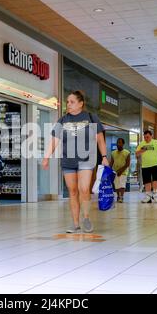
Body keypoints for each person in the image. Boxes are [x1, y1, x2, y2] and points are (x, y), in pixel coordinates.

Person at [42, 90, 109, 233]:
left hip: (86, 160)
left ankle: (86, 218)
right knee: (72, 191)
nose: (69, 104)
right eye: (67, 102)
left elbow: (100, 140)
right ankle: (75, 223)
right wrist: (46, 157)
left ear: (80, 104)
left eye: (72, 102)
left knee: (84, 189)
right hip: (68, 161)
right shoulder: (62, 120)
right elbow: (54, 141)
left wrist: (104, 157)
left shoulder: (91, 117)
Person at [136, 130, 157, 203]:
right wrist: (142, 150)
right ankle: (148, 196)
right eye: (145, 137)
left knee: (156, 179)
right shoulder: (141, 144)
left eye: (148, 137)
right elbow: (136, 154)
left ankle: (155, 194)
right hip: (145, 166)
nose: (146, 139)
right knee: (147, 181)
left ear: (151, 136)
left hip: (155, 164)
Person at [110, 138, 130, 203]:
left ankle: (121, 197)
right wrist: (108, 170)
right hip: (115, 171)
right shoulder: (113, 153)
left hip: (123, 172)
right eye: (117, 142)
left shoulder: (127, 153)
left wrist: (121, 171)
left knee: (122, 185)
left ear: (123, 144)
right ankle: (118, 196)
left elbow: (127, 164)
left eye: (120, 142)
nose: (118, 144)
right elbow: (111, 163)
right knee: (117, 185)